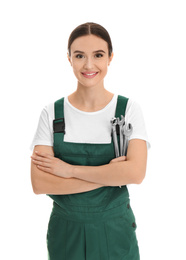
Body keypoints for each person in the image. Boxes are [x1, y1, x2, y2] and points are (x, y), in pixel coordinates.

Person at [30, 22, 150, 260]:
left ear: (110, 58)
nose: (88, 65)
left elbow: (135, 174)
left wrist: (69, 170)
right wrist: (111, 175)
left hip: (115, 230)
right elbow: (40, 183)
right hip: (67, 233)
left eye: (98, 55)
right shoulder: (52, 113)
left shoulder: (129, 110)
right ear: (69, 59)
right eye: (79, 55)